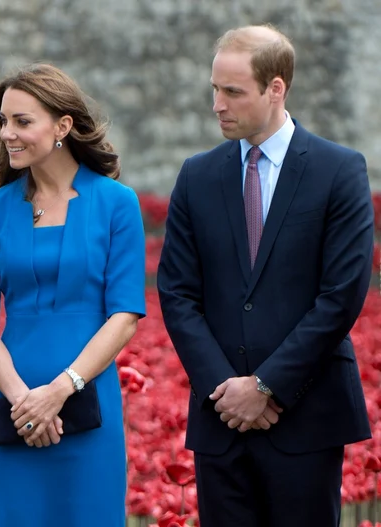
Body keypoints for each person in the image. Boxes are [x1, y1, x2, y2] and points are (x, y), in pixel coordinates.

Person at [157, 24, 374, 527]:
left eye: (232, 91)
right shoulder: (197, 175)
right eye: (215, 89)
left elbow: (341, 296)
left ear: (276, 88)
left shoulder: (338, 171)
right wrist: (226, 391)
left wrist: (267, 386)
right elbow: (177, 293)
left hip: (307, 418)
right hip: (220, 421)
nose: (217, 104)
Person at [0, 63, 146, 526]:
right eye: (4, 121)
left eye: (23, 121)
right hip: (12, 408)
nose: (8, 133)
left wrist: (61, 390)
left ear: (63, 126)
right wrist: (23, 401)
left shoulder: (117, 203)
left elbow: (124, 315)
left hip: (88, 405)